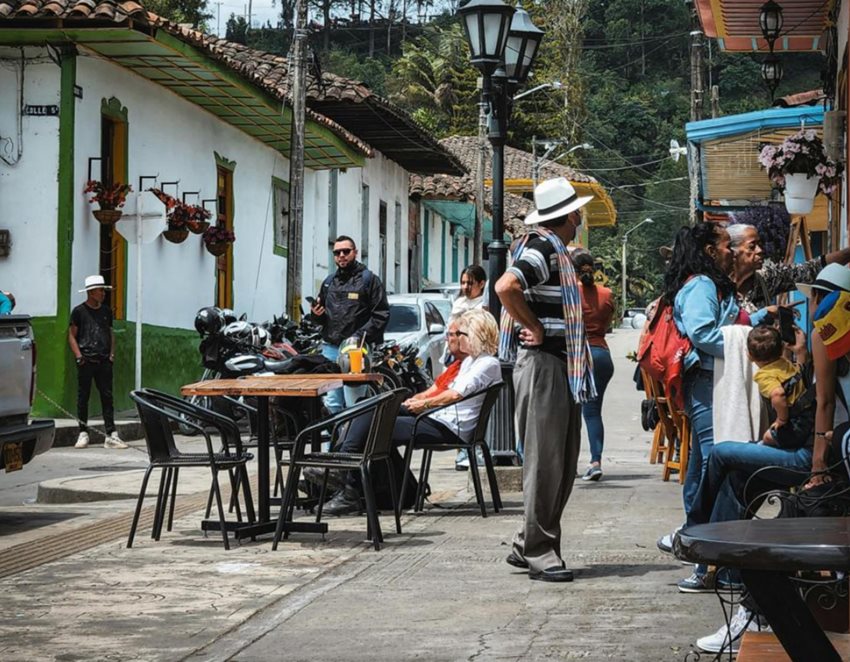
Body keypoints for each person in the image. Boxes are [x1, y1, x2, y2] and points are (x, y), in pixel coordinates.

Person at [655, 223, 768, 592]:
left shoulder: (709, 284)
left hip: (711, 383)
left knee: (703, 471)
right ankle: (706, 556)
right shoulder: (702, 286)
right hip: (708, 384)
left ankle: (701, 551)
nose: (730, 251)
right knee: (711, 472)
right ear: (708, 251)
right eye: (724, 245)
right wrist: (746, 343)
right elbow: (703, 334)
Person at [495, 177, 596, 583]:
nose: (581, 217)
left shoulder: (550, 249)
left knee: (562, 460)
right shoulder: (543, 249)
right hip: (544, 365)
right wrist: (533, 324)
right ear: (570, 215)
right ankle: (540, 550)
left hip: (555, 365)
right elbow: (507, 286)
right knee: (547, 462)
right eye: (578, 211)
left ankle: (527, 543)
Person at [317, 308, 502, 516]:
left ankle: (345, 477)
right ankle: (347, 476)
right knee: (371, 407)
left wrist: (424, 404)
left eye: (462, 334)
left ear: (475, 336)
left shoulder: (487, 363)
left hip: (447, 427)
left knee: (375, 423)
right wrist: (420, 402)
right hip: (436, 418)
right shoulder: (470, 361)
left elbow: (455, 395)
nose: (458, 338)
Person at [309, 235, 389, 413]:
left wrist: (359, 337)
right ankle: (334, 441)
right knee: (332, 403)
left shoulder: (369, 280)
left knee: (355, 403)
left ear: (355, 253)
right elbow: (321, 319)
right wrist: (316, 315)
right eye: (337, 252)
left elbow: (381, 314)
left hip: (356, 349)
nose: (342, 255)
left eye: (346, 251)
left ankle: (354, 441)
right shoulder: (329, 282)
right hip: (330, 348)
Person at [728, 221, 850, 312]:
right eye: (752, 246)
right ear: (732, 252)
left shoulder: (765, 278)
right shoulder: (717, 290)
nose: (760, 250)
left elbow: (809, 271)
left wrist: (848, 253)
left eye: (759, 244)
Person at [68, 275, 126, 449]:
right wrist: (79, 356)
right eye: (100, 290)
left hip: (104, 360)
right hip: (86, 360)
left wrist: (111, 354)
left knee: (107, 397)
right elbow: (71, 335)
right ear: (91, 292)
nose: (103, 294)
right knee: (83, 397)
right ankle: (83, 432)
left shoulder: (106, 311)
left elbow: (110, 333)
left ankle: (111, 434)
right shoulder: (78, 312)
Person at [573, 250, 615, 481]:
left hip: (579, 355)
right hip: (602, 354)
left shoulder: (570, 294)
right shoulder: (607, 294)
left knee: (573, 412)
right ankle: (595, 461)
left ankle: (570, 462)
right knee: (593, 411)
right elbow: (607, 325)